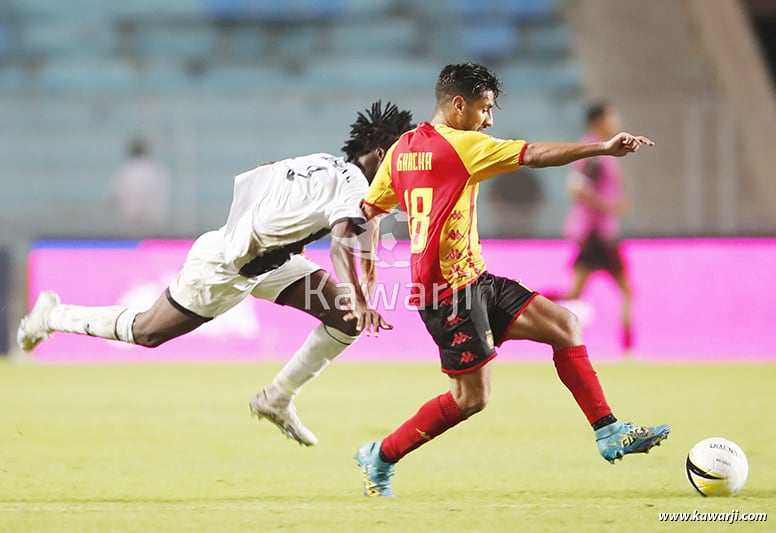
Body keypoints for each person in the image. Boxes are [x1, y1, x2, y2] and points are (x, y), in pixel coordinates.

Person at [18, 101, 414, 447]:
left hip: (270, 262)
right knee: (146, 332)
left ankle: (276, 398)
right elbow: (342, 236)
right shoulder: (353, 184)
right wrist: (361, 297)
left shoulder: (323, 163)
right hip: (226, 267)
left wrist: (363, 290)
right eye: (401, 156)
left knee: (345, 320)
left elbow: (265, 171)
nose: (406, 166)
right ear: (381, 153)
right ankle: (52, 316)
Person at [354, 63, 669, 497]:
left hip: (475, 280)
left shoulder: (402, 149)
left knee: (564, 325)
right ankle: (381, 454)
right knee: (471, 400)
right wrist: (600, 148)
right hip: (448, 295)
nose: (489, 120)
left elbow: (368, 211)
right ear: (458, 104)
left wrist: (367, 273)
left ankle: (609, 431)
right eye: (484, 109)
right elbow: (534, 155)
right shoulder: (463, 146)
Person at [559, 102, 634, 350]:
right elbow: (577, 188)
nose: (616, 122)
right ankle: (628, 348)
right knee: (625, 291)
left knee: (574, 294)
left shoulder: (600, 150)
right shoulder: (596, 152)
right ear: (598, 121)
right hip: (597, 234)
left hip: (598, 233)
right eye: (612, 117)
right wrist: (609, 205)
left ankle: (543, 315)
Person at [110, 139, 172, 238]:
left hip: (131, 220)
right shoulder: (157, 170)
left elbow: (115, 197)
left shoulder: (125, 171)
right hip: (152, 221)